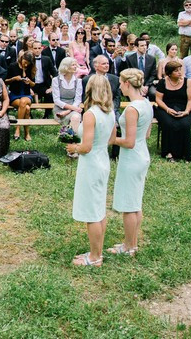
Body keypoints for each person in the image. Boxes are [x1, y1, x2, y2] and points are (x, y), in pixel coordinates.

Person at [65, 75, 115, 267]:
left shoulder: (90, 114)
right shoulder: (110, 112)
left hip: (91, 163)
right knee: (99, 208)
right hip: (103, 160)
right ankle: (97, 251)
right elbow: (111, 139)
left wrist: (73, 148)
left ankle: (95, 257)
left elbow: (86, 147)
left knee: (92, 212)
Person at [107, 69, 152, 257]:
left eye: (120, 83)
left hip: (132, 157)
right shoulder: (146, 103)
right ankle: (131, 243)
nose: (119, 86)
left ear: (127, 84)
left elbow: (129, 142)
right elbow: (147, 134)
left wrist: (111, 140)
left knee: (128, 205)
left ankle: (128, 246)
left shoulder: (133, 109)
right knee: (135, 203)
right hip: (142, 153)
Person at [155, 60, 191, 162]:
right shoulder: (162, 82)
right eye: (176, 71)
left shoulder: (188, 82)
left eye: (180, 70)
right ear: (169, 73)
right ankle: (168, 152)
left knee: (185, 124)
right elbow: (158, 99)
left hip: (183, 108)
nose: (179, 72)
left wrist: (186, 111)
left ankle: (185, 153)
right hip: (165, 108)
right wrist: (168, 109)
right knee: (168, 124)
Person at [6, 52, 36, 141]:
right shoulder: (13, 66)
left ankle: (18, 128)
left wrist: (29, 82)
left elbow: (34, 84)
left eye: (28, 63)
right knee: (26, 108)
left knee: (24, 101)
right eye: (24, 62)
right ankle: (27, 133)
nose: (26, 64)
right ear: (21, 58)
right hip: (15, 94)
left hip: (27, 95)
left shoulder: (31, 68)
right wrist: (14, 79)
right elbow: (5, 81)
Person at [52, 57, 83, 129]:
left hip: (73, 109)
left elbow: (78, 99)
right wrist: (73, 108)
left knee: (76, 117)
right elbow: (56, 100)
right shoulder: (56, 80)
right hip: (60, 109)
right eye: (73, 65)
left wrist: (68, 111)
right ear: (66, 67)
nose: (75, 67)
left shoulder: (78, 81)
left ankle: (73, 138)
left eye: (75, 65)